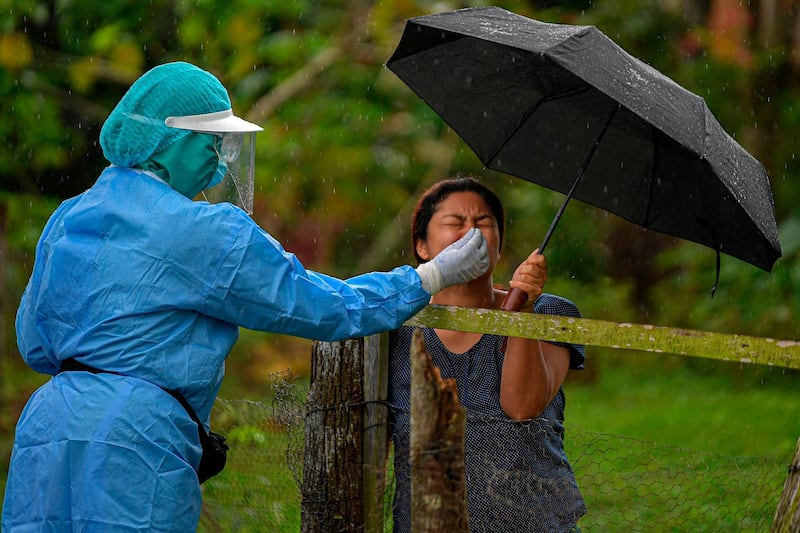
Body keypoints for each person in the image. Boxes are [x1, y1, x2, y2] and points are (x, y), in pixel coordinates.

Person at [1, 62, 491, 532]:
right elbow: (324, 306)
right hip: (133, 437)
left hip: (46, 429)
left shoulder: (69, 214)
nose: (220, 161)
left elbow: (33, 343)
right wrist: (427, 278)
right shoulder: (203, 230)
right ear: (171, 139)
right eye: (213, 142)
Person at [387, 176, 587, 532]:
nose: (472, 233)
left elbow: (522, 406)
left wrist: (524, 310)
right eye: (455, 222)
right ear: (422, 246)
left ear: (499, 247)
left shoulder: (550, 312)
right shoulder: (395, 327)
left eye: (484, 223)